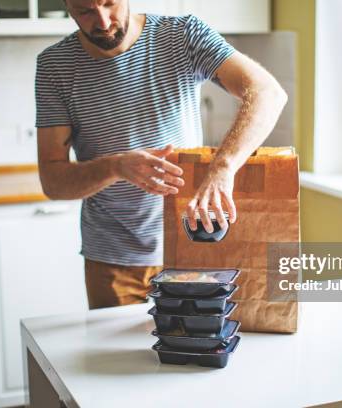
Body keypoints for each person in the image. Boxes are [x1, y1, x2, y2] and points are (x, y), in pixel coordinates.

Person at [35, 0, 287, 309]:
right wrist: (116, 166)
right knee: (118, 359)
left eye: (109, 4)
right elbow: (53, 182)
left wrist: (223, 167)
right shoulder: (54, 66)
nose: (101, 21)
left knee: (195, 352)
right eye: (84, 10)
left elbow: (267, 92)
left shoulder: (182, 35)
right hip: (113, 263)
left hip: (194, 247)